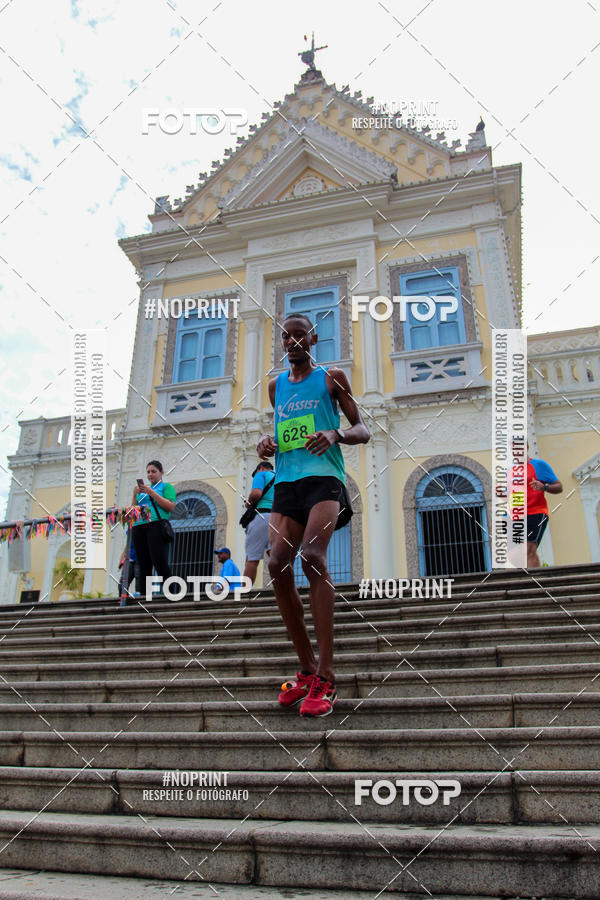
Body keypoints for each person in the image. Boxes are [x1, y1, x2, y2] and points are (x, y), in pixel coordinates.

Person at [257, 313, 370, 717]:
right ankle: (306, 670)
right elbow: (283, 432)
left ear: (313, 338)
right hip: (287, 483)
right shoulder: (276, 386)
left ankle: (327, 675)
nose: (291, 341)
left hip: (324, 479)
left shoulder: (332, 378)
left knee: (313, 557)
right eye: (285, 336)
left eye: (299, 335)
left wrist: (335, 434)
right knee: (276, 564)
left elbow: (363, 429)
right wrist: (266, 443)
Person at [131, 460, 176, 595]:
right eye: (148, 472)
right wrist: (134, 495)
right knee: (143, 564)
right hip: (139, 526)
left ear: (161, 472)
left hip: (156, 525)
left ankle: (171, 593)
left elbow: (170, 506)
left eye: (153, 471)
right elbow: (133, 511)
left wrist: (152, 493)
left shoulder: (166, 487)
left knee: (159, 561)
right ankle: (145, 595)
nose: (150, 474)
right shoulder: (142, 491)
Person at [524, 444, 562, 567]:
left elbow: (559, 486)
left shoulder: (539, 465)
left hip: (536, 512)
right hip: (516, 515)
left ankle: (534, 579)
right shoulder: (509, 470)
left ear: (526, 447)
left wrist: (544, 487)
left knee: (528, 548)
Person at [243, 461, 276, 585]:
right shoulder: (281, 476)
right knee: (275, 557)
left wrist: (248, 503)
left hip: (262, 516)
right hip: (278, 518)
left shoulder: (261, 474)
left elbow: (256, 493)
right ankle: (283, 590)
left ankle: (245, 591)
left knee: (251, 559)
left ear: (261, 468)